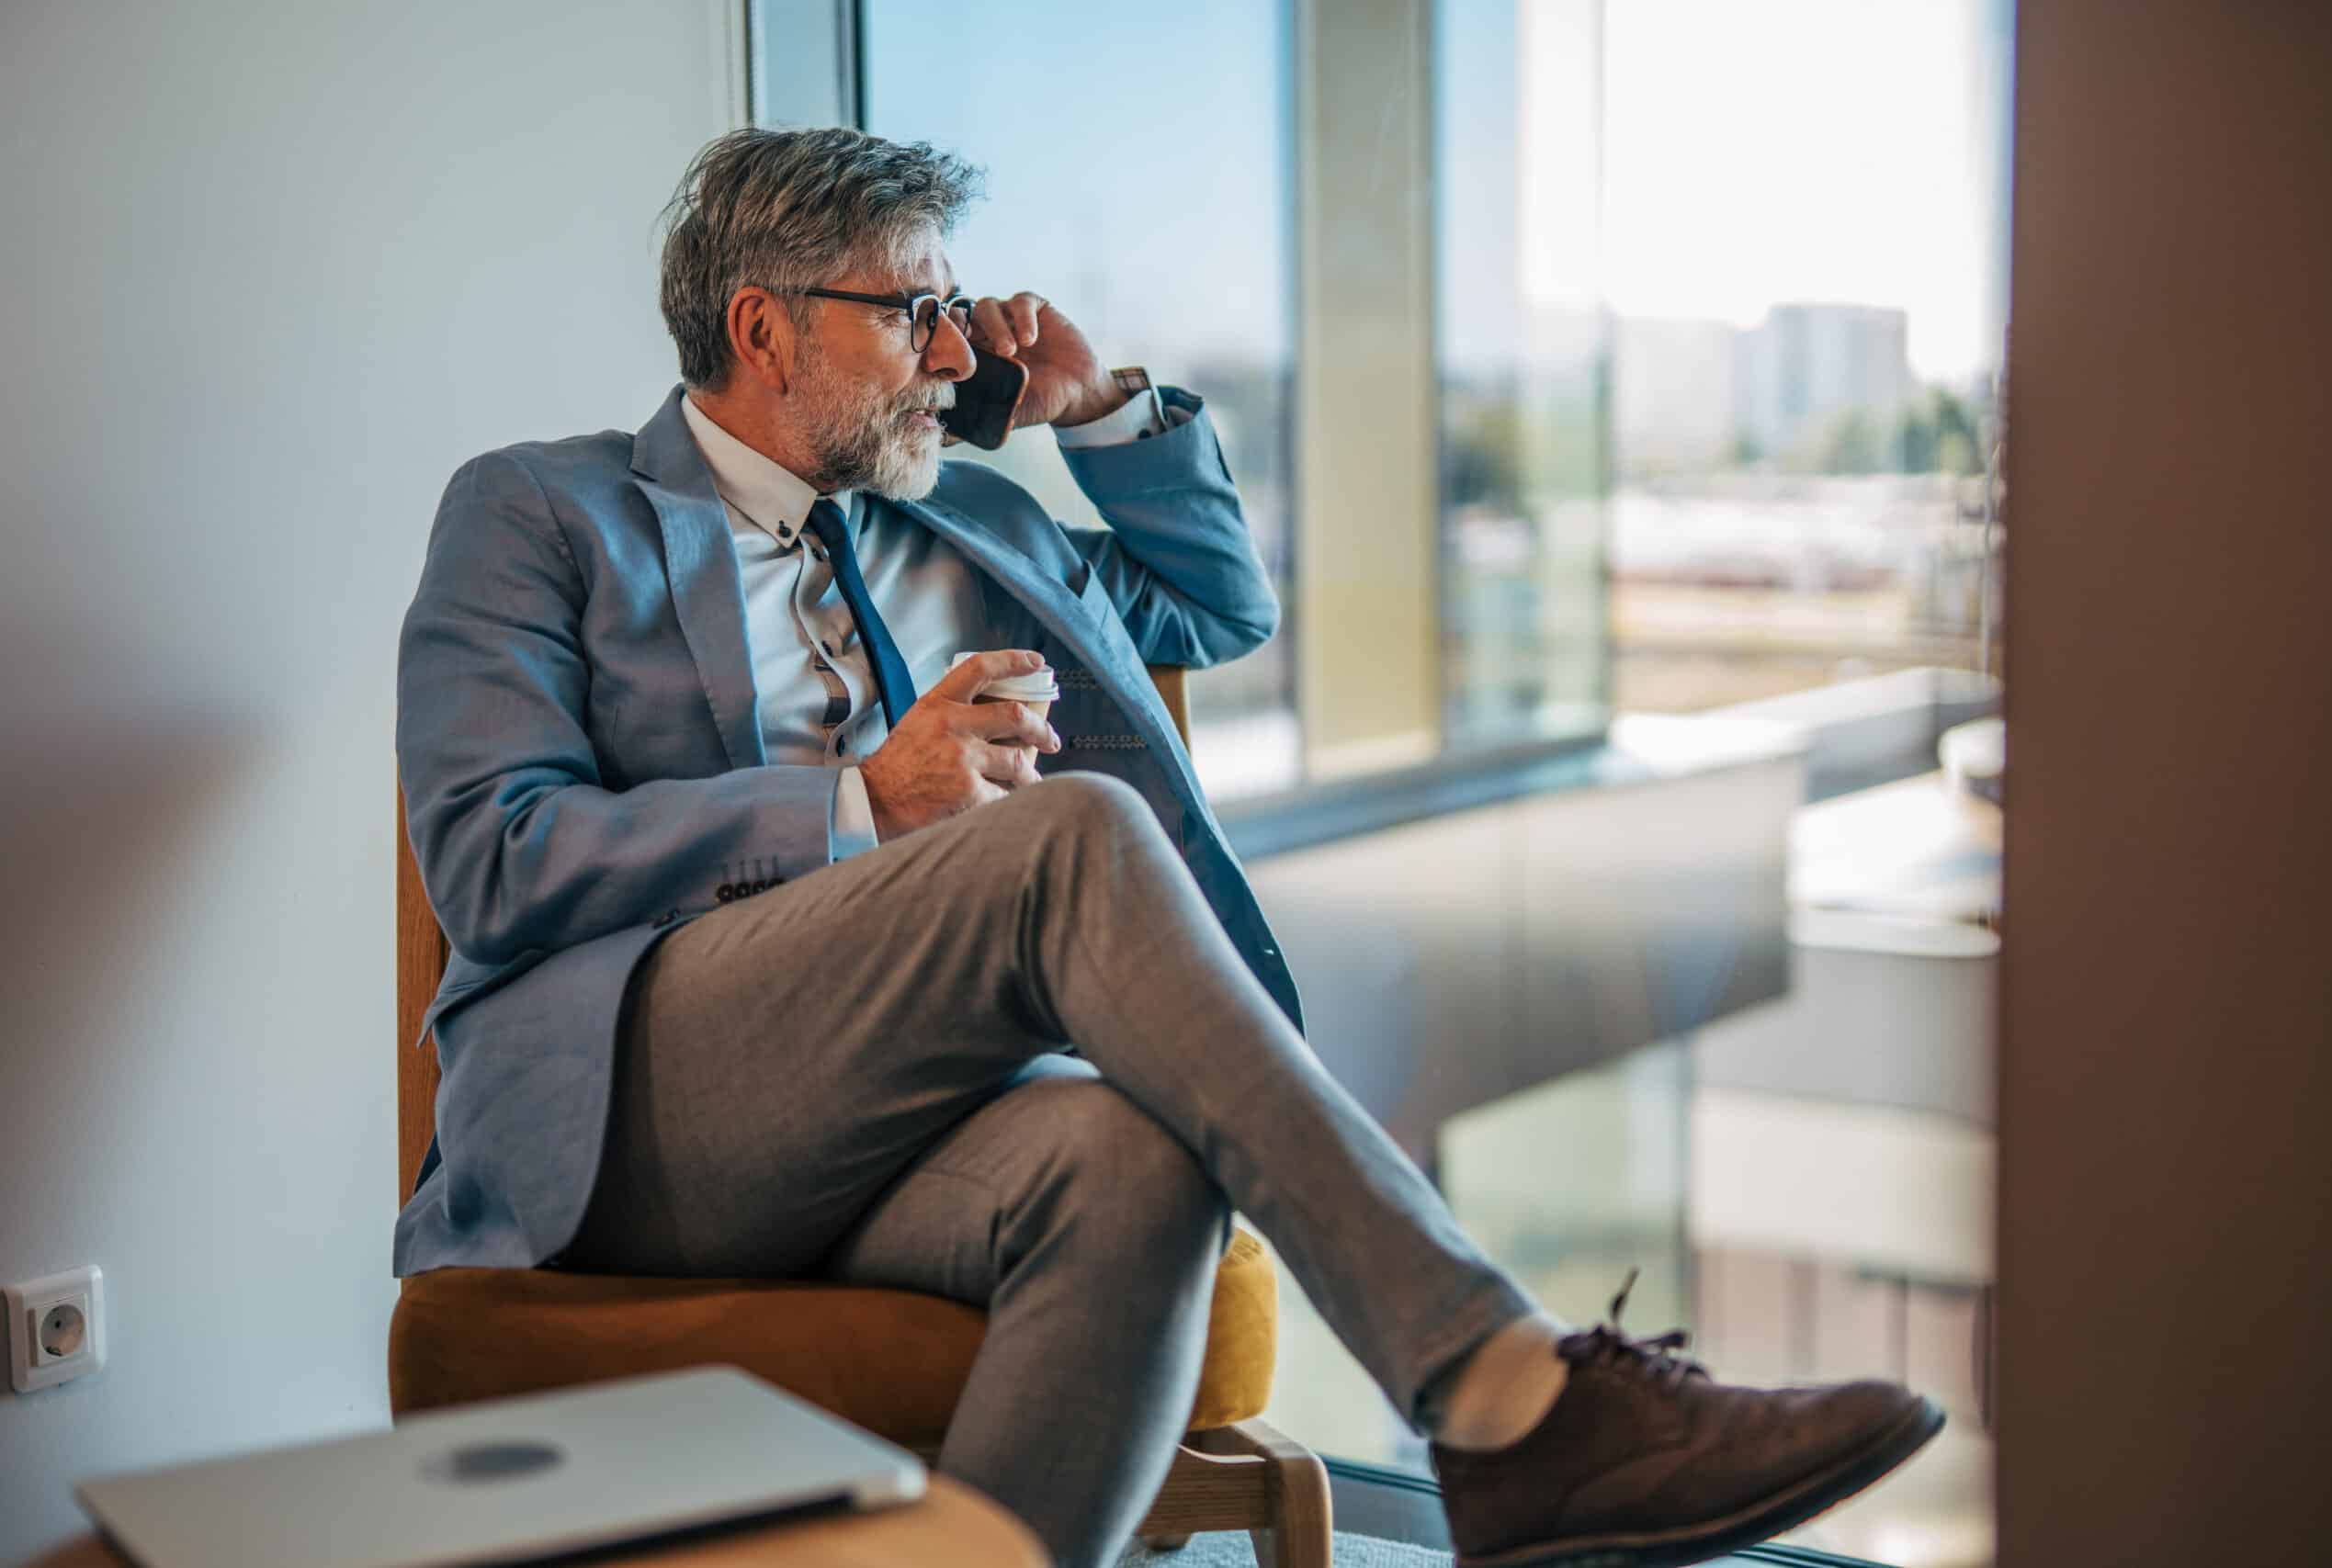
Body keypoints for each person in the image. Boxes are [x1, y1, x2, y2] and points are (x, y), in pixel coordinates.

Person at [394, 126, 1941, 1568]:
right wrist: (863, 804)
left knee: (1139, 1160)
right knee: (1071, 834)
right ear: (763, 329)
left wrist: (1102, 411)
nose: (956, 354)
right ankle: (1498, 1389)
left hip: (912, 1118)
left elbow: (1218, 607)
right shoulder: (543, 512)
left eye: (955, 315)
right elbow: (494, 855)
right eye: (914, 315)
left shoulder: (972, 525)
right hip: (647, 1116)